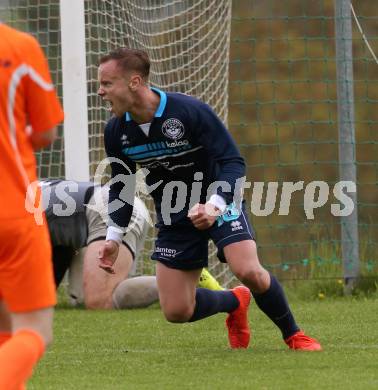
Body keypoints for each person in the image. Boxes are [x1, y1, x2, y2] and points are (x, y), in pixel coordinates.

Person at [97, 47, 321, 351]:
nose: (100, 92)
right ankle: (234, 301)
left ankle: (294, 335)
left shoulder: (189, 111)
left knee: (248, 270)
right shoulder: (116, 131)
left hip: (218, 199)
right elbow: (121, 185)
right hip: (173, 211)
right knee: (176, 311)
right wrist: (113, 237)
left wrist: (215, 205)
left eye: (107, 84)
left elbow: (233, 162)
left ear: (134, 82)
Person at [42, 180, 223, 309]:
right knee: (81, 300)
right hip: (109, 207)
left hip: (109, 210)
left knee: (99, 302)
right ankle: (180, 279)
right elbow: (58, 242)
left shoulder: (17, 204)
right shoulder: (26, 191)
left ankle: (183, 280)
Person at [0, 23, 64, 388]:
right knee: (34, 330)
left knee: (4, 331)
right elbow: (45, 132)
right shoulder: (19, 47)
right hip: (13, 211)